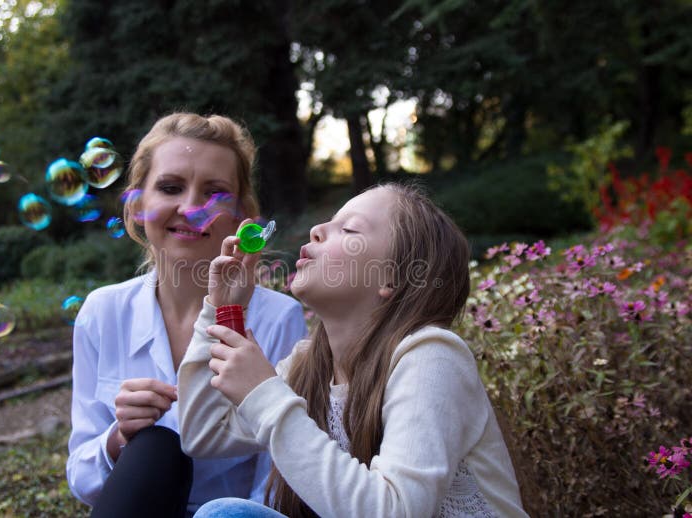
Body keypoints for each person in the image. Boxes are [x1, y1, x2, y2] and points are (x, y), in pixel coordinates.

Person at [177, 183, 529, 517]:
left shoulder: (432, 356)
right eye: (329, 222)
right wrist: (223, 308)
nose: (317, 229)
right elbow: (204, 433)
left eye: (350, 230)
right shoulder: (308, 366)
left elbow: (395, 511)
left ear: (392, 277)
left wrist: (263, 395)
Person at [66, 113, 308, 517]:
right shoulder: (102, 312)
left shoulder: (278, 318)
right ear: (139, 203)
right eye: (170, 187)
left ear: (240, 213)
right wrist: (119, 439)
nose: (191, 207)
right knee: (154, 449)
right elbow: (82, 477)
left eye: (214, 194)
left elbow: (277, 481)